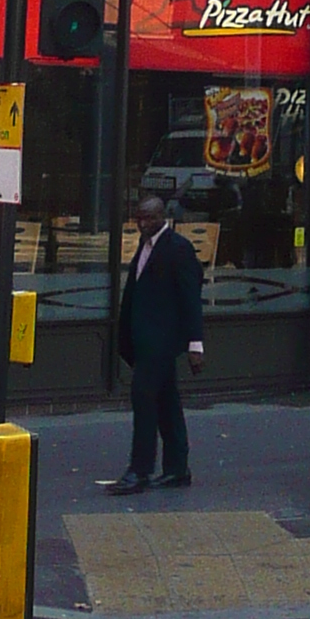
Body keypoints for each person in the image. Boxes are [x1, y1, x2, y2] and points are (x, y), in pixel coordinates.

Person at [103, 190, 205, 496]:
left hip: (161, 343)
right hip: (145, 340)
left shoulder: (178, 248)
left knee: (144, 400)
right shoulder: (145, 246)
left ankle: (140, 470)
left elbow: (191, 299)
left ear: (163, 217)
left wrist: (195, 344)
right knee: (166, 402)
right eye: (139, 218)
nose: (143, 223)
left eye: (149, 217)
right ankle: (177, 468)